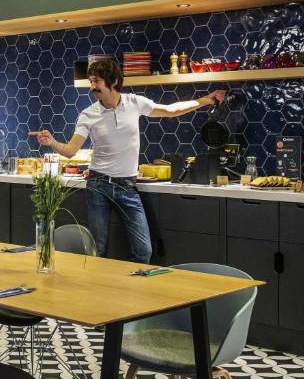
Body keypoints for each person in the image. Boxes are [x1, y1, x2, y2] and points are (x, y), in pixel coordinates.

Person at [31, 57, 225, 263]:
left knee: (143, 250)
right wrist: (52, 142)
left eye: (96, 81)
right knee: (98, 250)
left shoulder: (134, 102)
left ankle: (134, 293)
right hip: (98, 185)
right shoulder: (88, 114)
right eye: (90, 81)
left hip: (127, 186)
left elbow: (171, 111)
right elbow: (71, 151)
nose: (92, 86)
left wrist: (207, 100)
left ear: (113, 81)